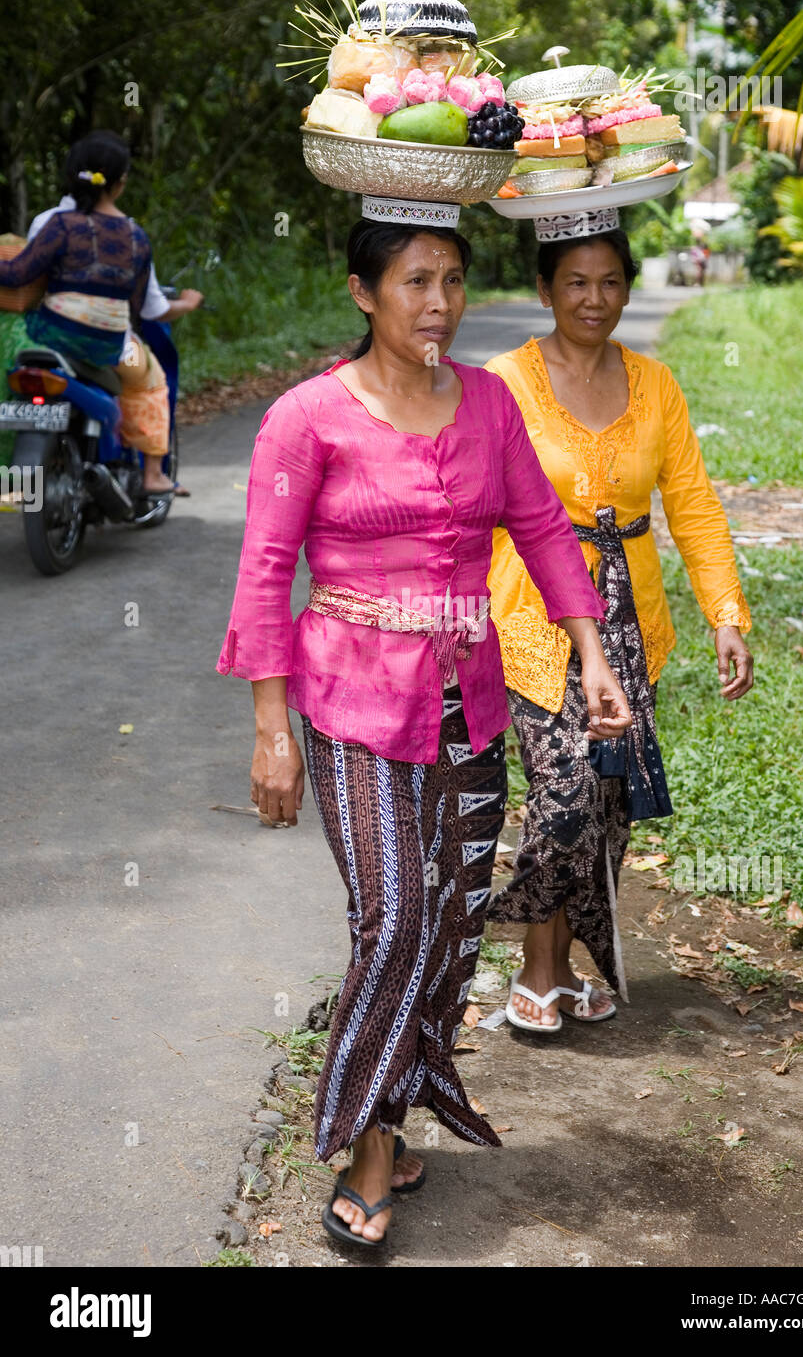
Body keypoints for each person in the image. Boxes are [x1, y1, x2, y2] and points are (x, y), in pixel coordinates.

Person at [216, 211, 632, 1247]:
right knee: (396, 913)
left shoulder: (488, 404)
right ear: (363, 293)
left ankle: (388, 1115)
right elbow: (266, 570)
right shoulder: (305, 417)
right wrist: (270, 727)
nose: (437, 304)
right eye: (413, 283)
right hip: (348, 701)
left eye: (450, 281)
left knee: (447, 925)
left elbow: (537, 526)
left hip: (466, 703)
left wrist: (590, 654)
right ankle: (364, 1144)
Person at [485, 217, 753, 1032]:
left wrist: (725, 615)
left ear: (627, 287)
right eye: (575, 283)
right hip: (532, 618)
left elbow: (696, 507)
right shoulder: (506, 382)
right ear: (544, 290)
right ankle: (532, 965)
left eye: (609, 282)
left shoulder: (656, 386)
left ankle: (565, 970)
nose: (594, 299)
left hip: (634, 626)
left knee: (607, 807)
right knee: (561, 800)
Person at [0, 132, 197, 494]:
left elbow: (16, 274)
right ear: (120, 184)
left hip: (51, 335)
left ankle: (13, 474)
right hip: (112, 347)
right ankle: (153, 474)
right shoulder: (136, 237)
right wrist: (185, 304)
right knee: (153, 381)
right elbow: (143, 310)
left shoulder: (57, 224)